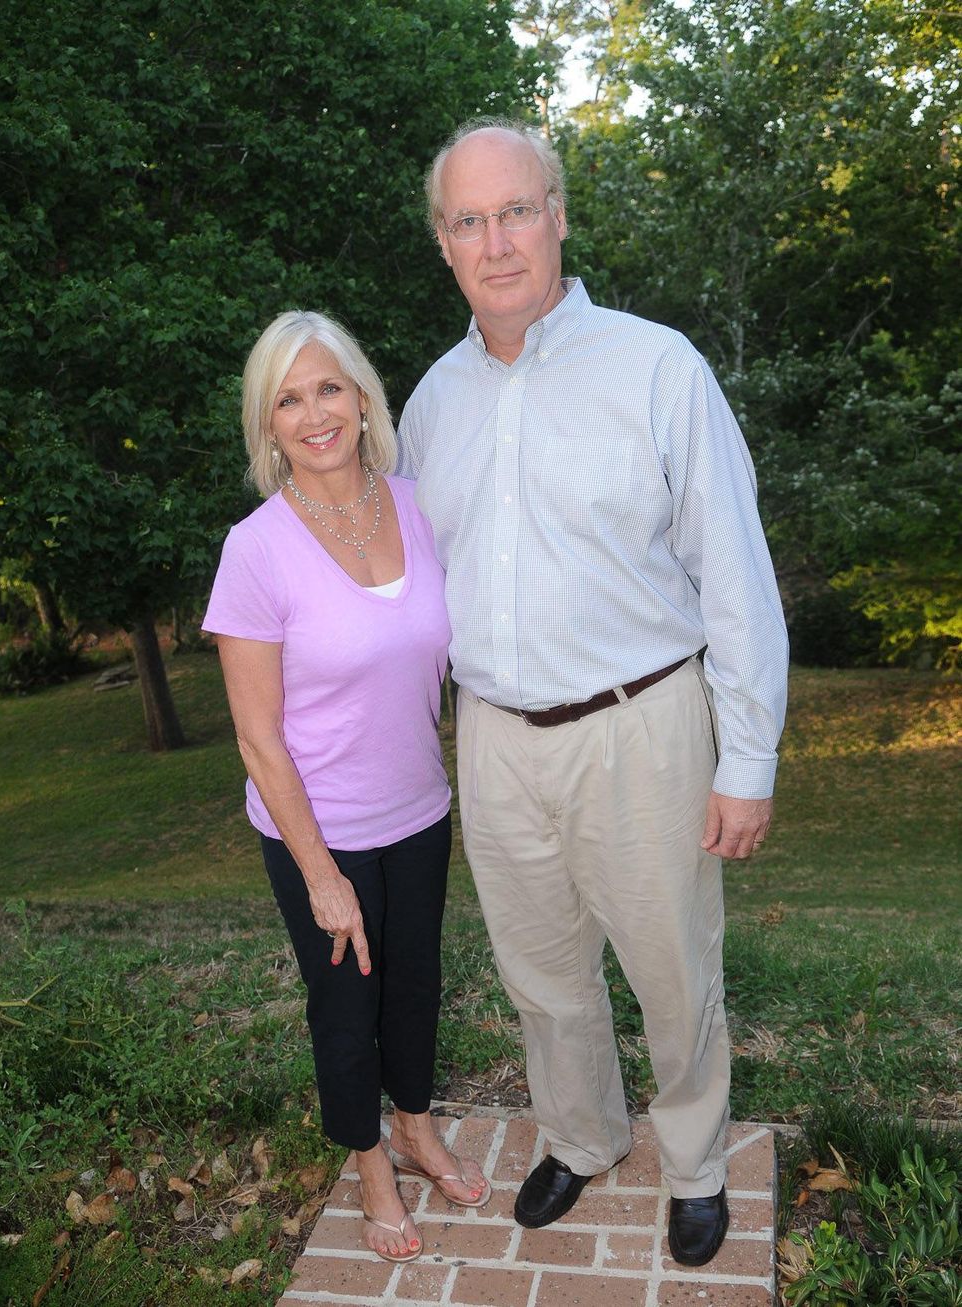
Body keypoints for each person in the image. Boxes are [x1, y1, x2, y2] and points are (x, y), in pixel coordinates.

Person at [397, 120, 789, 1268]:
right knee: (540, 971)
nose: (495, 239)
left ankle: (697, 1160)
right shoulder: (427, 405)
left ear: (559, 215)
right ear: (442, 243)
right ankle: (578, 1133)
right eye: (467, 220)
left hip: (641, 727)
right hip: (496, 735)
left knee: (672, 966)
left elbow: (734, 574)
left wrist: (745, 759)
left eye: (515, 209)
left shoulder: (657, 367)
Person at [203, 310, 491, 1264]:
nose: (314, 413)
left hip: (419, 808)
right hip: (313, 828)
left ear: (363, 398)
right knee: (345, 1004)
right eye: (289, 398)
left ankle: (414, 1123)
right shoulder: (257, 548)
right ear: (268, 424)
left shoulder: (416, 505)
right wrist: (320, 871)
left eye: (329, 388)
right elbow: (258, 736)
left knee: (414, 983)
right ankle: (369, 1164)